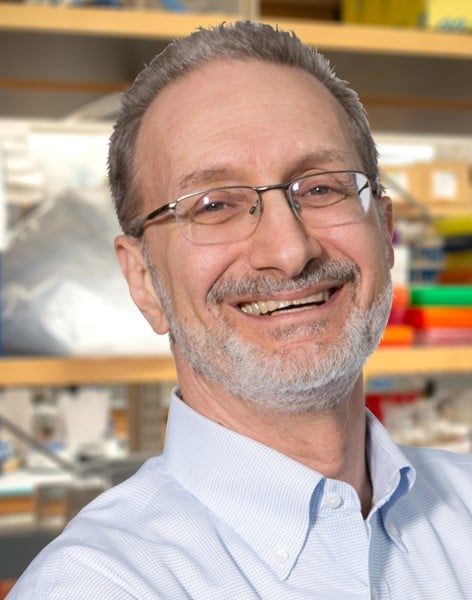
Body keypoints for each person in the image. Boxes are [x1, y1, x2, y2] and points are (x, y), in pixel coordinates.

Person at [9, 21, 472, 600]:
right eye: (214, 205)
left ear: (384, 231)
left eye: (321, 188)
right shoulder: (97, 586)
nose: (289, 251)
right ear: (143, 281)